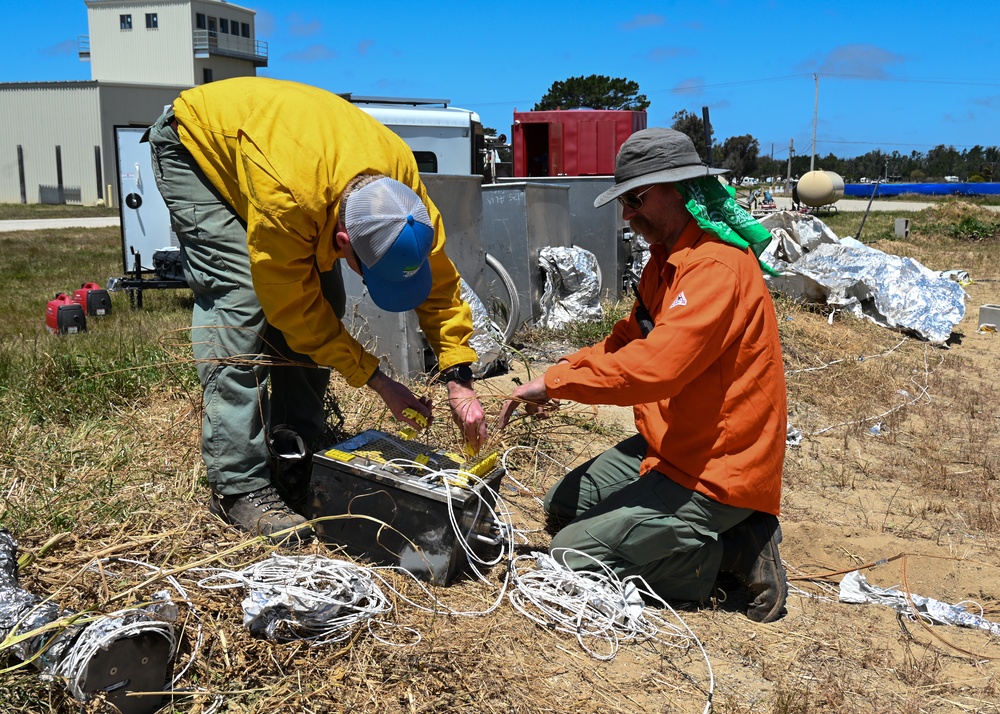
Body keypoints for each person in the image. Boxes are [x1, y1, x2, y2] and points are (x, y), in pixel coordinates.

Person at [145, 77, 487, 545]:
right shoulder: (289, 200)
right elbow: (295, 312)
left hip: (287, 160)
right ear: (342, 242)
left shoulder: (402, 189)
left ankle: (297, 450)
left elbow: (440, 283)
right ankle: (238, 485)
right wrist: (377, 380)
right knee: (241, 303)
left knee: (329, 302)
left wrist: (458, 379)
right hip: (198, 146)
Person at [499, 128, 788, 622]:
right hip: (673, 441)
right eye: (624, 201)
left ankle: (728, 552)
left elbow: (656, 371)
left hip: (716, 466)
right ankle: (717, 532)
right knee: (564, 505)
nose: (627, 214)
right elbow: (626, 343)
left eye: (636, 199)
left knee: (571, 555)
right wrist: (560, 373)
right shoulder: (664, 264)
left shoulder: (714, 268)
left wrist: (558, 385)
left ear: (679, 190)